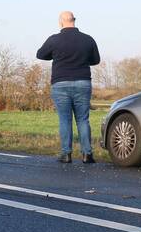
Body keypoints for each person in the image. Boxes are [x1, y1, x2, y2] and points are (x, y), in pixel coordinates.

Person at [36, 10, 101, 164]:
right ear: (74, 20)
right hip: (83, 82)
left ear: (61, 22)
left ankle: (66, 154)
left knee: (65, 120)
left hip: (60, 83)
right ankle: (87, 154)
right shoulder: (88, 39)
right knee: (83, 120)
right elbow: (96, 60)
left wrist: (55, 55)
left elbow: (40, 54)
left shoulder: (54, 40)